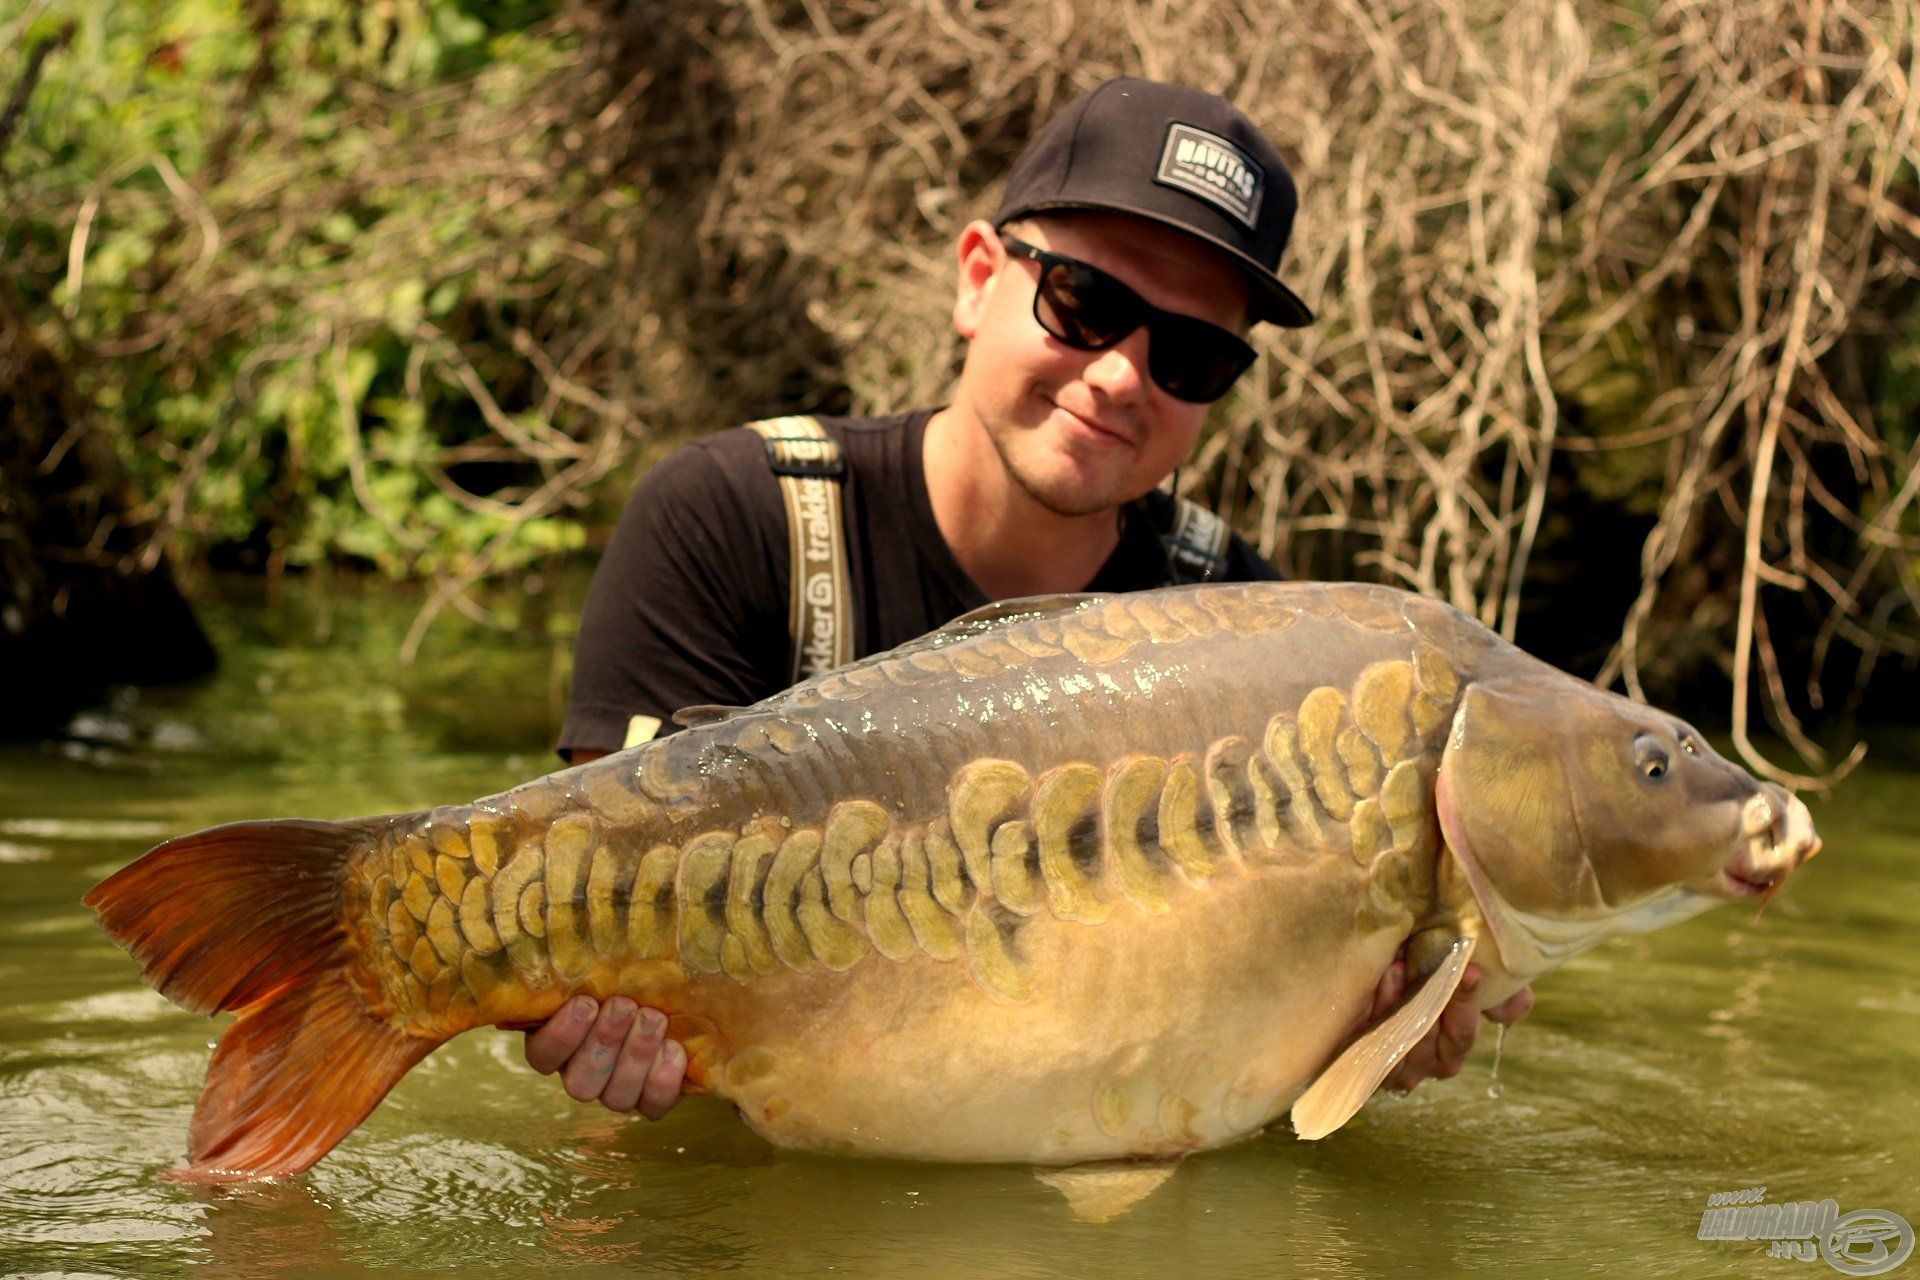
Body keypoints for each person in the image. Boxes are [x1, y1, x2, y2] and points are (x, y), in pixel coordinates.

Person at [523, 77, 1533, 1123]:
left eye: (1191, 356)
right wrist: (601, 1011)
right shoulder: (736, 517)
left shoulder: (1255, 635)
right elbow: (588, 900)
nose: (1119, 375)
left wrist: (1365, 1034)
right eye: (1085, 304)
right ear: (976, 279)